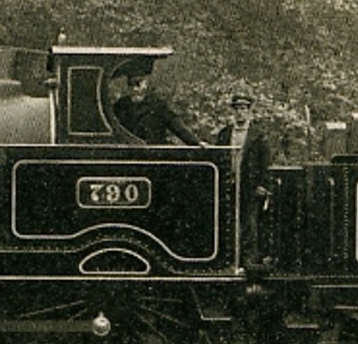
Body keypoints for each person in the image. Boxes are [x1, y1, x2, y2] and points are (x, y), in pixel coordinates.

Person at [214, 92, 274, 261]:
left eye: (243, 109)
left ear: (249, 111)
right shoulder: (225, 134)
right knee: (228, 222)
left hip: (250, 186)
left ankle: (250, 260)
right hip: (229, 184)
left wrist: (263, 185)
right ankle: (230, 258)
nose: (240, 112)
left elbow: (266, 163)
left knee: (250, 223)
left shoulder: (258, 136)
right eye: (237, 109)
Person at [112, 64, 203, 145]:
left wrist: (196, 142)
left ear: (145, 84)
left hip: (154, 155)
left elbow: (176, 125)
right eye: (130, 85)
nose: (135, 89)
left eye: (138, 84)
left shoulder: (157, 104)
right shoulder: (120, 106)